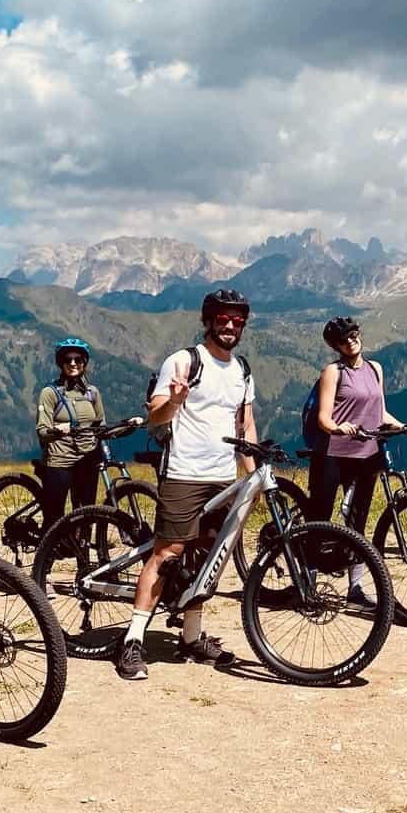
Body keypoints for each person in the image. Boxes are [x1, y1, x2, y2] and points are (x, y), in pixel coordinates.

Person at [117, 289, 256, 681]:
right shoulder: (184, 361)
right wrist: (175, 401)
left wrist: (252, 472)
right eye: (223, 318)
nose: (230, 325)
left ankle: (192, 637)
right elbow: (155, 420)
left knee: (208, 558)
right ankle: (132, 640)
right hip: (183, 474)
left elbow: (244, 426)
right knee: (169, 553)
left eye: (237, 320)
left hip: (222, 478)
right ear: (209, 321)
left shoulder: (243, 370)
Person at [307, 316, 407, 609]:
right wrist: (337, 427)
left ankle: (355, 589)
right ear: (336, 346)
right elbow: (323, 417)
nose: (351, 340)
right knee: (319, 518)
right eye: (343, 339)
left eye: (353, 334)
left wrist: (404, 425)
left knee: (358, 521)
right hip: (334, 453)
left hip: (367, 454)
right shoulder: (333, 372)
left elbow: (379, 412)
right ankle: (307, 584)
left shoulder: (375, 369)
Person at [36, 338, 106, 533]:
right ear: (61, 363)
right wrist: (58, 430)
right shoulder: (50, 393)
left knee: (86, 514)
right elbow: (42, 431)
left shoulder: (92, 393)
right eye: (68, 359)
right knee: (54, 520)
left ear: (84, 362)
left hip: (87, 459)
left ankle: (84, 561)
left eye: (78, 359)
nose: (73, 363)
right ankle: (45, 559)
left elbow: (100, 425)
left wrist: (129, 424)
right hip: (60, 460)